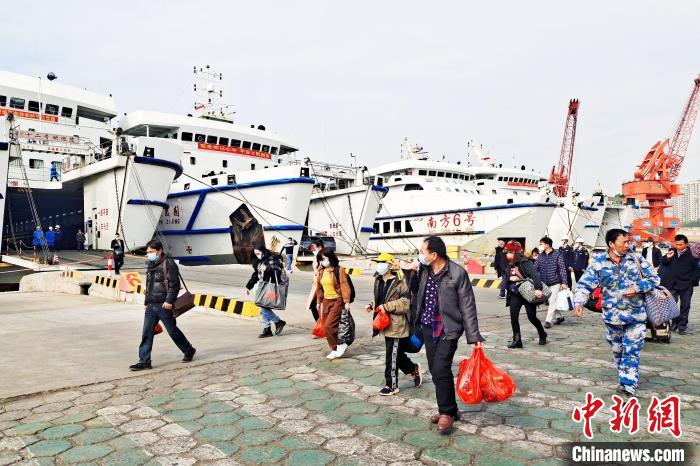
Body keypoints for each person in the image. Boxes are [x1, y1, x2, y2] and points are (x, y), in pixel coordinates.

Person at [410, 236, 484, 434]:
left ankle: (446, 413)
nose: (421, 255)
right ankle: (451, 408)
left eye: (423, 252)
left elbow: (468, 305)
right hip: (427, 327)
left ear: (434, 255)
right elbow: (416, 294)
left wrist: (474, 337)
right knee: (436, 370)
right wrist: (413, 274)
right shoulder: (425, 269)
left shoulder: (457, 273)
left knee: (441, 368)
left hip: (447, 329)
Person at [574, 229, 660, 396]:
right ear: (611, 244)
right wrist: (579, 302)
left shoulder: (636, 259)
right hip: (612, 317)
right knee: (618, 351)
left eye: (628, 242)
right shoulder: (599, 263)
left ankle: (629, 384)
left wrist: (637, 288)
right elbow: (584, 285)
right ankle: (624, 376)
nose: (627, 246)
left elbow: (654, 279)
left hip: (636, 315)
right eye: (624, 243)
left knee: (632, 349)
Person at [130, 240, 196, 371]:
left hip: (164, 305)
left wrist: (169, 301)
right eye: (147, 252)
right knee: (147, 332)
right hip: (151, 305)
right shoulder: (150, 264)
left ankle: (188, 350)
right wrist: (146, 302)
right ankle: (144, 361)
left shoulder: (169, 263)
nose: (149, 254)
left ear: (159, 251)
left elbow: (174, 285)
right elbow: (149, 285)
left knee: (172, 331)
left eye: (151, 252)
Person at [365, 252, 423, 396]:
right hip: (384, 323)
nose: (379, 265)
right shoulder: (378, 280)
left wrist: (387, 306)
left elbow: (405, 303)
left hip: (397, 325)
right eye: (378, 262)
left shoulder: (400, 281)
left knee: (391, 356)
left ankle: (391, 386)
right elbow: (379, 299)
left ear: (390, 265)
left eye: (382, 262)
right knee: (396, 355)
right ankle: (413, 369)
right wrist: (372, 305)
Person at [503, 240, 547, 348]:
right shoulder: (510, 264)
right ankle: (517, 339)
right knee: (514, 317)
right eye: (507, 252)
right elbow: (504, 279)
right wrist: (510, 278)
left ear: (516, 253)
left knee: (531, 317)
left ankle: (542, 333)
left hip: (528, 294)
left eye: (510, 252)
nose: (507, 254)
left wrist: (538, 289)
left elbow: (535, 275)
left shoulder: (526, 262)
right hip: (515, 294)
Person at [314, 248, 352, 360]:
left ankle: (339, 345)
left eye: (324, 259)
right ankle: (335, 348)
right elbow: (319, 288)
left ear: (330, 258)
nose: (322, 262)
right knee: (327, 328)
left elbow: (344, 285)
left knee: (329, 325)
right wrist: (318, 301)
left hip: (338, 300)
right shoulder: (321, 271)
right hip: (326, 301)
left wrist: (347, 301)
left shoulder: (338, 270)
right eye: (320, 260)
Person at [245, 241, 287, 338]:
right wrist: (249, 286)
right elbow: (257, 274)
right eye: (256, 254)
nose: (257, 256)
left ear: (263, 251)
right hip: (263, 287)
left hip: (271, 288)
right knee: (263, 307)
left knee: (262, 306)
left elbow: (277, 271)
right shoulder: (260, 261)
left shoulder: (272, 259)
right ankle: (268, 328)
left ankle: (277, 322)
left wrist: (267, 269)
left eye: (258, 253)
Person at [660, 234, 700, 335]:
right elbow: (663, 262)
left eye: (680, 244)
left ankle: (682, 327)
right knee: (671, 305)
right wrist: (667, 258)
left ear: (686, 244)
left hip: (686, 285)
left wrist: (692, 281)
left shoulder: (693, 255)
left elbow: (697, 269)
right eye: (676, 244)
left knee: (685, 306)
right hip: (672, 284)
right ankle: (674, 322)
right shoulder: (672, 251)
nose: (677, 246)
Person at [535, 237, 569, 328]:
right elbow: (535, 268)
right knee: (551, 301)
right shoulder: (540, 256)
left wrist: (564, 282)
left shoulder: (557, 255)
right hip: (544, 283)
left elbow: (562, 269)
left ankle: (548, 321)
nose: (540, 246)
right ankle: (560, 316)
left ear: (547, 245)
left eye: (541, 244)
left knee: (552, 301)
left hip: (555, 282)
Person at [305, 239, 325, 322]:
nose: (313, 250)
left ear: (319, 247)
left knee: (317, 305)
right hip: (317, 284)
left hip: (323, 285)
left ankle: (322, 325)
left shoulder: (325, 256)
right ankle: (320, 324)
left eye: (314, 248)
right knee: (313, 305)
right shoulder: (316, 256)